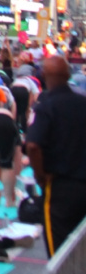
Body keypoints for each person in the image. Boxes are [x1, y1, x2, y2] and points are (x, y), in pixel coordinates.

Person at [25, 53, 86, 256]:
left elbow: (33, 145)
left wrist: (40, 175)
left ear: (43, 75)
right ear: (68, 74)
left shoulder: (46, 106)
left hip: (60, 185)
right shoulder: (82, 103)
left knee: (59, 254)